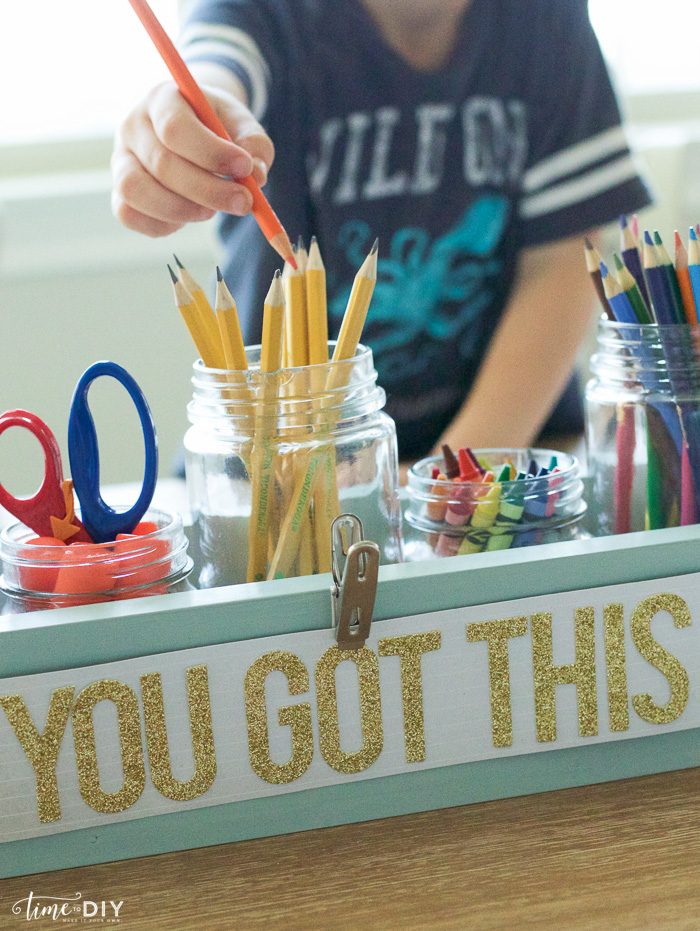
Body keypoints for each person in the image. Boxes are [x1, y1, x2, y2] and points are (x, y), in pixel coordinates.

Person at [112, 0, 650, 463]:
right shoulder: (258, 14)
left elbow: (564, 260)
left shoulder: (547, 20)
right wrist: (180, 123)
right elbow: (214, 73)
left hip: (511, 452)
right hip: (283, 471)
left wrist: (454, 477)